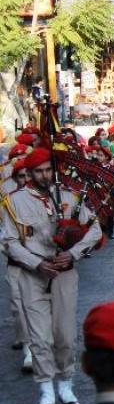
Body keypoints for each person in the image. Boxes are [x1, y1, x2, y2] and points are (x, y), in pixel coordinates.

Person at [0, 147, 103, 404]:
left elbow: (94, 230)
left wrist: (72, 254)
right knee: (40, 336)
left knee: (65, 335)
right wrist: (37, 263)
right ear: (30, 174)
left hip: (64, 273)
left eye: (48, 170)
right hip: (32, 274)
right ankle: (46, 390)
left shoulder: (69, 196)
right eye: (38, 171)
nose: (45, 176)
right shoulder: (14, 201)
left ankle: (66, 385)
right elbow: (10, 242)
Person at [2, 159, 33, 373]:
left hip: (43, 262)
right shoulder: (7, 201)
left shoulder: (47, 197)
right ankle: (29, 349)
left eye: (28, 175)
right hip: (15, 259)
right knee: (18, 303)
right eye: (20, 176)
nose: (25, 180)